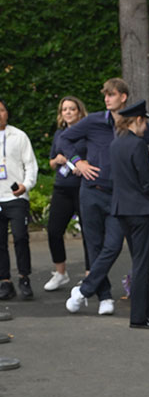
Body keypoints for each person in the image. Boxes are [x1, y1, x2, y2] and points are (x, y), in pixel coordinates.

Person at [61, 78, 149, 316]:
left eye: (111, 95)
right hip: (90, 192)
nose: (106, 99)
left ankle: (85, 290)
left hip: (117, 197)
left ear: (123, 97)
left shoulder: (134, 123)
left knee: (111, 246)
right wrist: (77, 162)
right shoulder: (92, 121)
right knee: (94, 246)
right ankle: (103, 296)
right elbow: (64, 140)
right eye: (105, 95)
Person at [109, 100, 149, 329]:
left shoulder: (116, 144)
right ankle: (139, 316)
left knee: (138, 262)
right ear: (139, 120)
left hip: (122, 210)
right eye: (145, 122)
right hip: (141, 211)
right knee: (142, 265)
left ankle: (148, 312)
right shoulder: (138, 146)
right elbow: (146, 182)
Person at [44, 95, 88, 291]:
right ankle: (60, 272)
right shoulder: (59, 135)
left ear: (79, 112)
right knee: (53, 230)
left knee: (89, 232)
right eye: (64, 109)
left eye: (72, 109)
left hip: (82, 188)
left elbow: (95, 158)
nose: (68, 112)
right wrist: (58, 160)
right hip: (62, 187)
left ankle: (90, 274)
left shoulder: (87, 133)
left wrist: (83, 165)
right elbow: (51, 162)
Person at [0, 98, 39, 301]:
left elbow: (30, 165)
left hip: (16, 197)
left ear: (7, 113)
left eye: (2, 110)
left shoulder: (19, 136)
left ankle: (24, 278)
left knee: (20, 237)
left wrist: (26, 185)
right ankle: (5, 281)